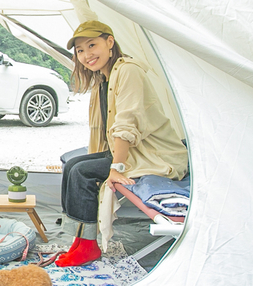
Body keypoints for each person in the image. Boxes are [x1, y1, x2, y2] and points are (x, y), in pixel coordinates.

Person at [57, 20, 188, 267]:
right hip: (134, 152)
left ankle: (88, 246)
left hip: (154, 154)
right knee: (71, 165)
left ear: (110, 42)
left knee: (82, 173)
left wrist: (116, 168)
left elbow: (126, 122)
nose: (87, 55)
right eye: (80, 51)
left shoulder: (128, 71)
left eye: (92, 45)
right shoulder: (105, 78)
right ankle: (78, 239)